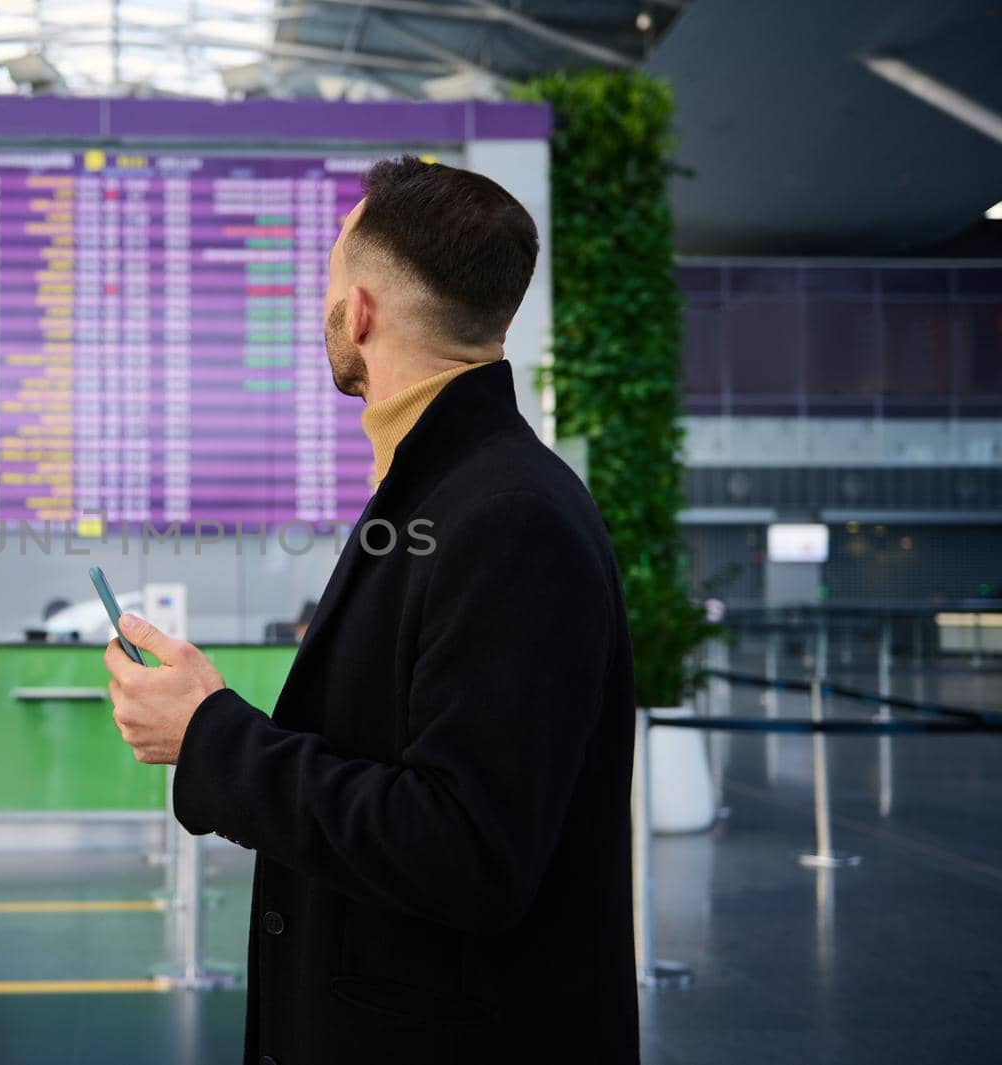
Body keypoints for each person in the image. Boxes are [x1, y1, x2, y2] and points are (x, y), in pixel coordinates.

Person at [103, 156, 639, 1065]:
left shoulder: (507, 516)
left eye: (327, 280)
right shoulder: (452, 489)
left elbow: (467, 849)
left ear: (360, 312)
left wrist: (210, 735)